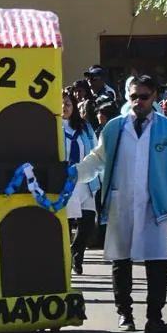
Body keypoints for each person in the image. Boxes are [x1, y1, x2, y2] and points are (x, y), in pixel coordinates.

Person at [75, 75, 167, 333]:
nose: (138, 102)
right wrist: (71, 174)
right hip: (121, 203)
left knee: (157, 261)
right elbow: (96, 159)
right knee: (121, 260)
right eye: (133, 97)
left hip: (155, 205)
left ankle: (154, 317)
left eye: (143, 97)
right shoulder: (114, 128)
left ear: (154, 97)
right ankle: (125, 314)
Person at [62, 91, 98, 274]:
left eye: (68, 103)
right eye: (60, 103)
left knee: (88, 220)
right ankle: (65, 259)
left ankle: (77, 252)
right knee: (66, 221)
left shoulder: (84, 127)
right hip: (65, 181)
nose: (64, 107)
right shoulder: (53, 126)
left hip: (85, 179)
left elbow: (96, 150)